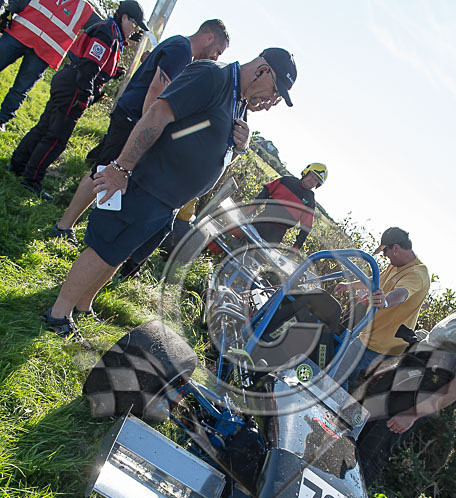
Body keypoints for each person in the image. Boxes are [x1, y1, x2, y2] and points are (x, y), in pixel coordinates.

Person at [43, 46, 297, 343]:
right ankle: (59, 313)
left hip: (166, 202)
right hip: (147, 184)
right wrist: (121, 168)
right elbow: (158, 114)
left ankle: (83, 305)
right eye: (274, 93)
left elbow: (214, 149)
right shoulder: (213, 76)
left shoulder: (237, 103)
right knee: (103, 249)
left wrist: (240, 149)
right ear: (262, 70)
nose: (270, 104)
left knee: (117, 254)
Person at [52, 18, 229, 245]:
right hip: (132, 119)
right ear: (209, 37)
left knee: (103, 168)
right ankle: (64, 226)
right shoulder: (181, 50)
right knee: (103, 171)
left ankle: (72, 223)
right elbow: (156, 91)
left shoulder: (178, 46)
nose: (215, 58)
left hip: (130, 116)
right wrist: (148, 130)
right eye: (217, 51)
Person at [356, 257, 456, 485]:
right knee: (356, 427)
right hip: (405, 375)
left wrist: (412, 415)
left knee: (371, 452)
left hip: (415, 396)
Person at [8, 0, 146, 198]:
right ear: (124, 17)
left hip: (69, 80)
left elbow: (93, 63)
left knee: (45, 126)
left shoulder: (109, 31)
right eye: (134, 24)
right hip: (75, 86)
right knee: (56, 138)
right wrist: (85, 95)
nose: (134, 31)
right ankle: (31, 180)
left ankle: (18, 165)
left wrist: (110, 74)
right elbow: (89, 66)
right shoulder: (108, 33)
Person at [333, 227, 430, 379]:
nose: (385, 256)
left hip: (381, 347)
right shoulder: (395, 265)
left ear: (396, 248)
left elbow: (401, 294)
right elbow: (374, 282)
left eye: (385, 251)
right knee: (338, 375)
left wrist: (385, 301)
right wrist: (348, 286)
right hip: (367, 336)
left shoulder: (417, 274)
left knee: (337, 376)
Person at [0, 0, 99, 132]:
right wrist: (10, 10)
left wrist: (120, 31)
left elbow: (103, 28)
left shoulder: (85, 10)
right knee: (20, 88)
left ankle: (2, 119)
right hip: (19, 33)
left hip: (44, 52)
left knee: (21, 88)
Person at [245, 162, 327, 251]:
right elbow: (264, 193)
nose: (312, 181)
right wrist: (249, 212)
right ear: (306, 172)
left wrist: (294, 250)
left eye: (316, 180)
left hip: (275, 237)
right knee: (239, 246)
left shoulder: (310, 201)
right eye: (312, 176)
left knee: (255, 261)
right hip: (260, 222)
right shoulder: (286, 181)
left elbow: (306, 228)